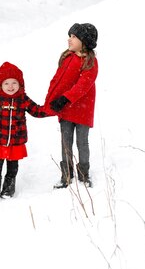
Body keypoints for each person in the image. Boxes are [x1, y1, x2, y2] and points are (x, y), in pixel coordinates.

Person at [0, 62, 48, 198]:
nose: (10, 87)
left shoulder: (23, 99)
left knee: (12, 166)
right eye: (6, 83)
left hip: (16, 140)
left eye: (14, 83)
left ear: (20, 84)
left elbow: (37, 111)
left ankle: (8, 188)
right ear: (0, 85)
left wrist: (52, 109)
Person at [44, 23, 98, 189]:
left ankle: (83, 174)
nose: (70, 39)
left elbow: (83, 85)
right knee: (65, 142)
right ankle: (66, 175)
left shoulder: (90, 62)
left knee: (82, 142)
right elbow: (58, 81)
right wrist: (51, 101)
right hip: (66, 110)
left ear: (84, 41)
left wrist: (65, 99)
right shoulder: (67, 57)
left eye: (74, 37)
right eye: (70, 36)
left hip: (82, 109)